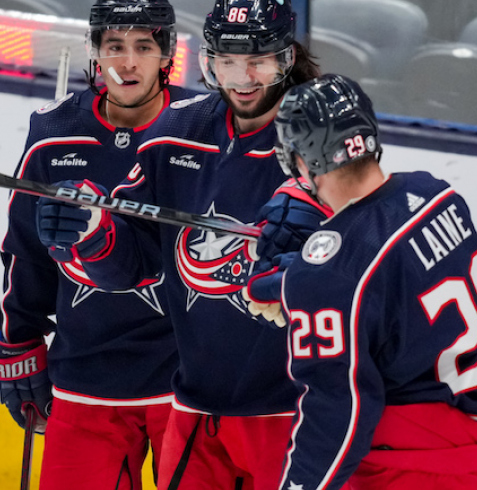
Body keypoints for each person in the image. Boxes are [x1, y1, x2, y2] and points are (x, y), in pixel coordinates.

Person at [33, 1, 326, 489]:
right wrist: (93, 232)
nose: (243, 77)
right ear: (207, 61)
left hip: (294, 408)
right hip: (196, 408)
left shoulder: (324, 136)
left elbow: (365, 260)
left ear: (287, 58)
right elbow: (132, 266)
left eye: (259, 60)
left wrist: (315, 259)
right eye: (227, 61)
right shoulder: (176, 133)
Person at [265, 74, 477, 490]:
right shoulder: (437, 195)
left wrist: (306, 284)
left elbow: (337, 411)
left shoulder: (329, 275)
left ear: (302, 161)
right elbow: (390, 288)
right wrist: (295, 284)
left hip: (422, 469)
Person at [0, 1, 204, 489]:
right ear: (94, 51)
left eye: (143, 47)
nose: (128, 63)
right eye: (115, 47)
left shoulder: (202, 127)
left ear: (168, 53)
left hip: (186, 377)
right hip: (87, 375)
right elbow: (26, 251)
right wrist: (17, 339)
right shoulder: (53, 134)